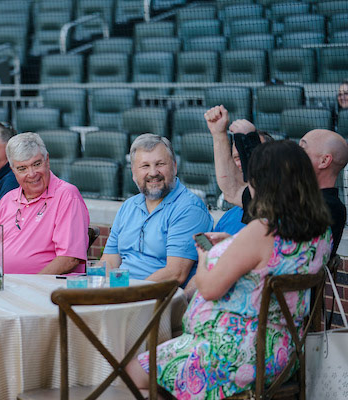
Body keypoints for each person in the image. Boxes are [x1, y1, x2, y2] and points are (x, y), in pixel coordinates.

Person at [127, 140, 333, 398]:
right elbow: (269, 259)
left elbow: (209, 288)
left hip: (235, 354)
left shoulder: (261, 230)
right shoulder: (321, 231)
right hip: (283, 351)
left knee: (133, 370)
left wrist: (205, 255)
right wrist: (233, 242)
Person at [206, 105, 348, 255]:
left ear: (324, 161)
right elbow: (233, 190)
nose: (295, 154)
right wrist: (219, 134)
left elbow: (264, 207)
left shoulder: (330, 207)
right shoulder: (288, 193)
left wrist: (250, 144)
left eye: (302, 148)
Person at [100, 134, 213, 286]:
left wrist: (128, 294)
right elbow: (109, 261)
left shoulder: (188, 208)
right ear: (134, 173)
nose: (153, 173)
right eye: (145, 166)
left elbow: (175, 273)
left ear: (174, 167)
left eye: (160, 164)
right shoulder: (128, 206)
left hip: (159, 299)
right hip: (122, 292)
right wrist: (95, 286)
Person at [0, 132, 89, 274]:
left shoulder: (66, 196)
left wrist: (32, 285)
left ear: (47, 160)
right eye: (22, 168)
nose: (31, 174)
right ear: (13, 170)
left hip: (46, 290)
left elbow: (69, 258)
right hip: (4, 286)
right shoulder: (7, 200)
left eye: (36, 164)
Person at [212, 117, 273, 235]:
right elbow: (231, 190)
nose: (242, 163)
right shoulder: (229, 216)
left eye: (246, 156)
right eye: (237, 158)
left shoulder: (280, 205)